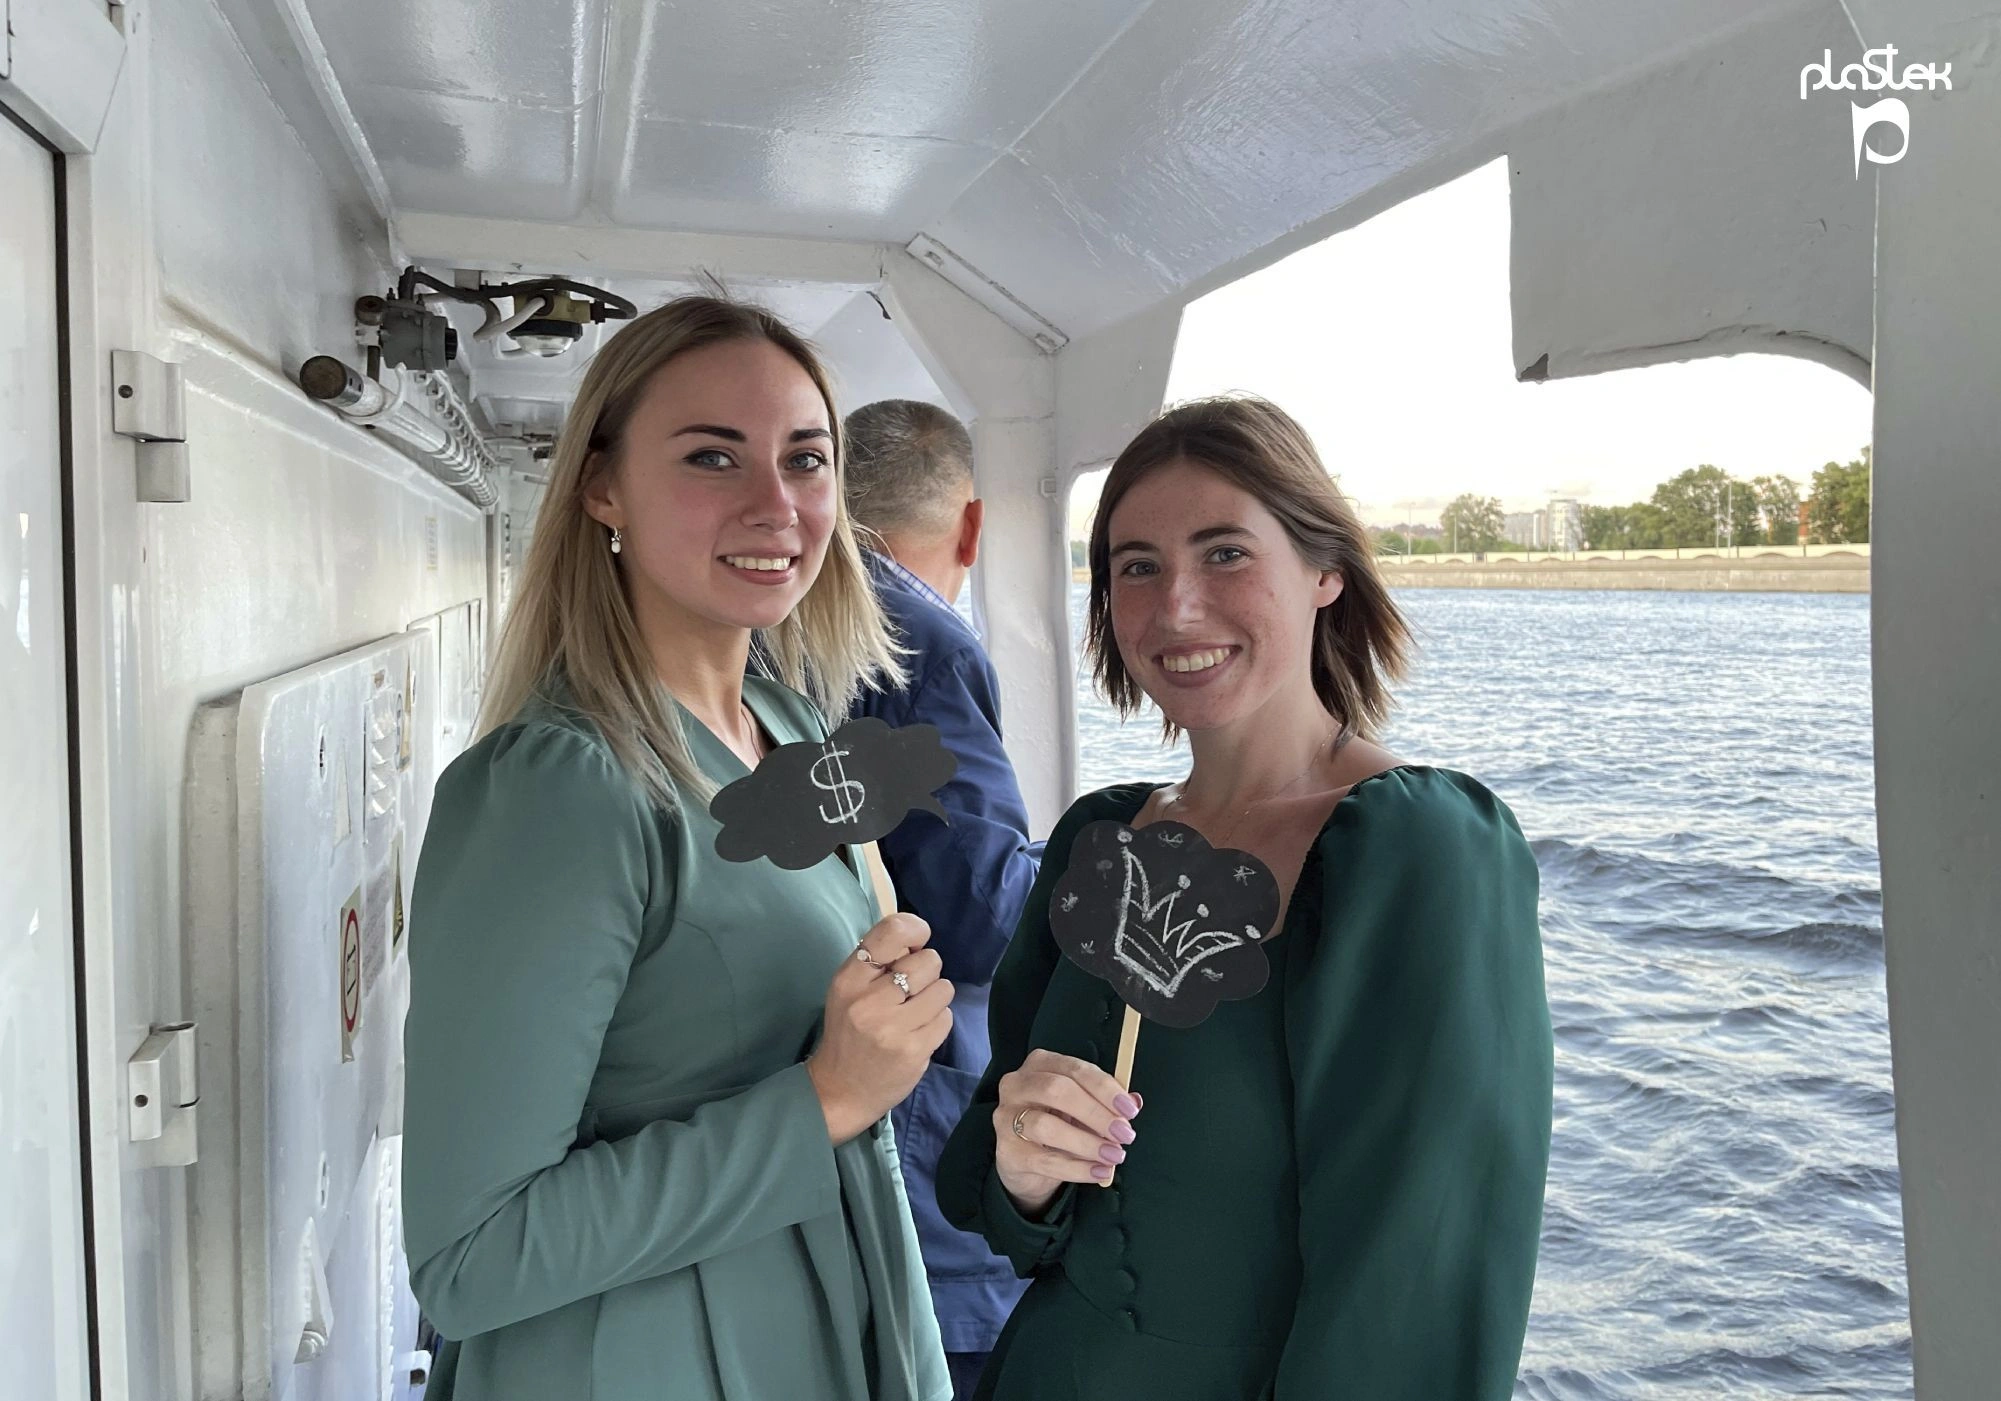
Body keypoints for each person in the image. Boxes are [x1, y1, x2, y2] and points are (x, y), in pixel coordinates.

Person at [935, 396, 1553, 1399]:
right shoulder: (1100, 837)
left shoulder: (1414, 848)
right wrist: (1025, 1162)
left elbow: (1418, 1282)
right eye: (1136, 566)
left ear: (1325, 569)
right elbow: (1006, 1211)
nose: (1176, 607)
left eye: (1224, 553)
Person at [401, 296, 953, 1401]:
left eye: (806, 460)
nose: (776, 505)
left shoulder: (787, 724)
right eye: (713, 457)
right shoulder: (556, 790)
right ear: (601, 486)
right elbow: (470, 1254)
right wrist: (827, 1097)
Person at [842, 399, 1040, 1395]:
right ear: (971, 526)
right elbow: (983, 915)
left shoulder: (786, 621)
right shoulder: (920, 641)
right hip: (912, 1123)